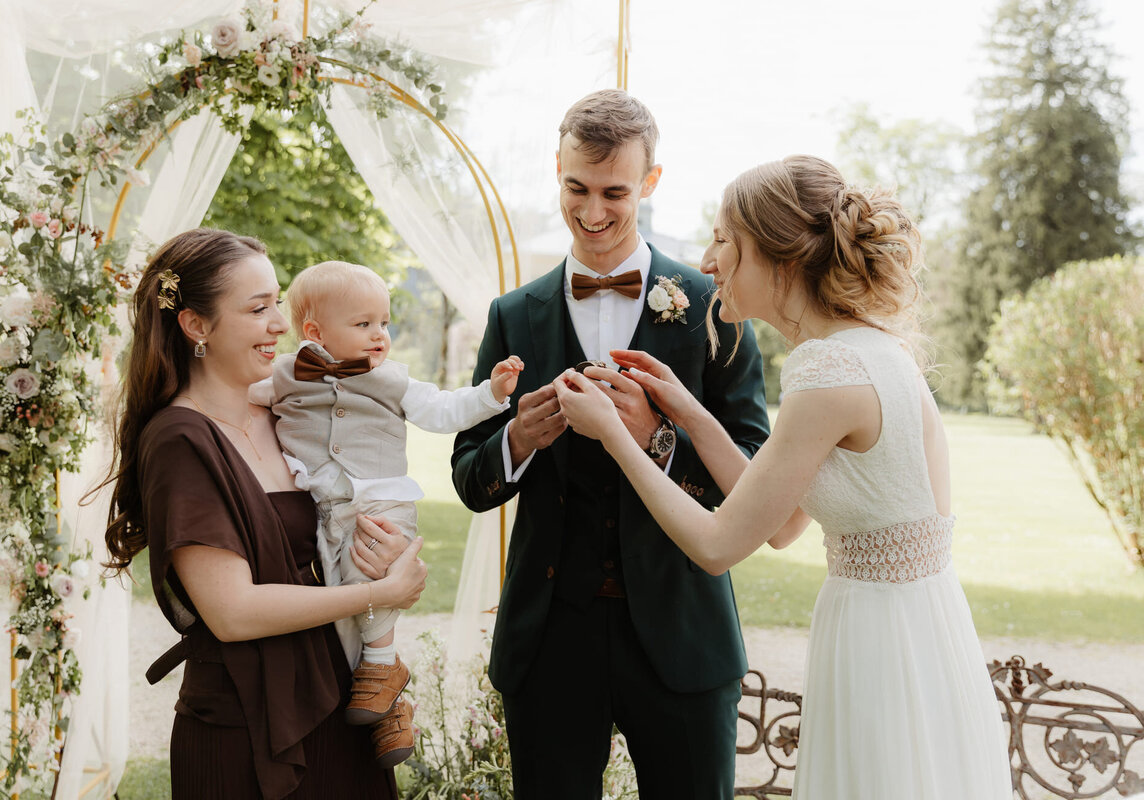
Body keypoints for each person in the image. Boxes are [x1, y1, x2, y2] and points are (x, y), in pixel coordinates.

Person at [554, 155, 1013, 799]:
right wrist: (690, 414)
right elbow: (786, 523)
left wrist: (614, 434)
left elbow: (717, 545)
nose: (708, 262)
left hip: (883, 644)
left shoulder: (827, 376)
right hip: (914, 628)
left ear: (782, 260)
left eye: (724, 240)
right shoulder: (867, 350)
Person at [451, 89, 771, 799]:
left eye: (615, 192)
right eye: (577, 188)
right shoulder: (513, 315)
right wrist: (517, 441)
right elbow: (470, 477)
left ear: (650, 182)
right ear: (556, 170)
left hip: (682, 635)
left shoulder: (714, 307)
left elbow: (754, 477)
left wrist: (657, 438)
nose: (593, 211)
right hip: (549, 640)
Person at [101, 229, 428, 799]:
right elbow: (232, 612)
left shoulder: (287, 417)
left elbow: (337, 531)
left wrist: (385, 554)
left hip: (338, 701)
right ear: (196, 326)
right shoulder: (180, 439)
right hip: (247, 726)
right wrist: (379, 594)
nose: (280, 323)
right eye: (258, 309)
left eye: (277, 303)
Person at [248, 260, 523, 758]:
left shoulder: (393, 379)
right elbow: (248, 397)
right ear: (314, 332)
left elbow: (442, 410)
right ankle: (390, 700)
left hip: (381, 501)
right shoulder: (286, 373)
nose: (380, 335)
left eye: (384, 323)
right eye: (364, 323)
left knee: (368, 571)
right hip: (323, 503)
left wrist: (491, 393)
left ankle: (380, 663)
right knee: (339, 597)